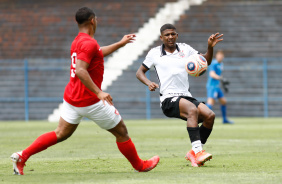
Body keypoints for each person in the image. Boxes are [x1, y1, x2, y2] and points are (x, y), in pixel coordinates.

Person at [10, 7, 159, 175]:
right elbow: (81, 70)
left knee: (61, 133)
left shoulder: (79, 41)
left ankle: (22, 156)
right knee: (121, 132)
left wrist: (119, 44)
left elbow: (96, 53)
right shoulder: (89, 43)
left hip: (72, 98)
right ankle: (140, 165)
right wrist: (99, 93)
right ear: (93, 21)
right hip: (90, 101)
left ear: (77, 22)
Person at [136, 24, 223, 167]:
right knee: (192, 110)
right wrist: (148, 83)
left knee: (210, 115)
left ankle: (193, 153)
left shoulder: (185, 49)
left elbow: (205, 62)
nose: (170, 37)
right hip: (168, 99)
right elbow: (139, 72)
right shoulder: (154, 53)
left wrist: (210, 47)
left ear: (177, 35)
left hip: (186, 96)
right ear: (161, 37)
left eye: (173, 34)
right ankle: (198, 152)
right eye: (167, 35)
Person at [206, 50, 234, 124]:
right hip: (212, 86)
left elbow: (219, 75)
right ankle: (204, 119)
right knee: (210, 102)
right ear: (216, 56)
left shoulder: (221, 64)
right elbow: (212, 74)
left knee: (223, 101)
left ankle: (224, 120)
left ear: (223, 57)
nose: (220, 57)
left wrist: (223, 84)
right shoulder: (214, 63)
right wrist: (221, 78)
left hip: (217, 87)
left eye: (221, 55)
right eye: (219, 55)